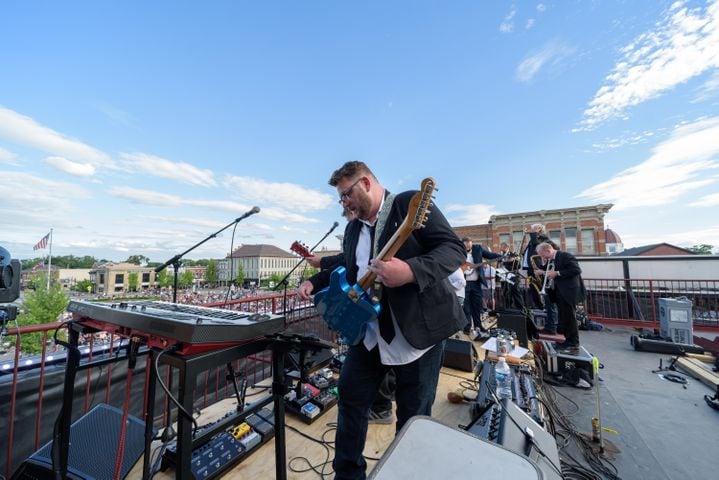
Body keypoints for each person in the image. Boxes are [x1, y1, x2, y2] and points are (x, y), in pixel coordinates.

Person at [297, 161, 465, 479]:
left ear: (366, 183)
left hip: (419, 335)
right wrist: (314, 283)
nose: (343, 203)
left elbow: (453, 249)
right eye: (340, 198)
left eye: (346, 194)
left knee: (414, 419)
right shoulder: (352, 230)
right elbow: (349, 268)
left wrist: (411, 271)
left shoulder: (406, 204)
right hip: (370, 334)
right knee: (350, 400)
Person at [535, 242, 586, 351]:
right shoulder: (551, 259)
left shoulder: (565, 255)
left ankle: (573, 342)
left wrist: (557, 273)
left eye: (542, 255)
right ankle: (567, 340)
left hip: (569, 291)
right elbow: (550, 272)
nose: (542, 257)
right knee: (563, 317)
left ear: (548, 250)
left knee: (569, 318)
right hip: (559, 292)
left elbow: (576, 270)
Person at [461, 237, 502, 337]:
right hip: (464, 283)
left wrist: (502, 256)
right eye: (466, 247)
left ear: (472, 244)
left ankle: (478, 326)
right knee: (466, 307)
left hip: (476, 283)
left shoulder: (478, 249)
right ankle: (467, 327)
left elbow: (490, 255)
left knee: (477, 305)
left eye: (469, 246)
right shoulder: (458, 250)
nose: (468, 248)